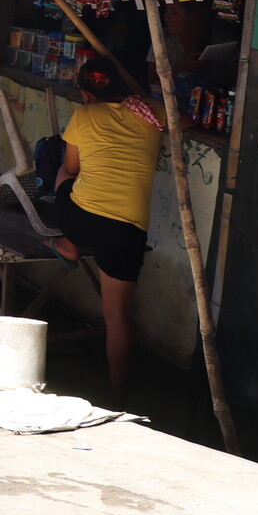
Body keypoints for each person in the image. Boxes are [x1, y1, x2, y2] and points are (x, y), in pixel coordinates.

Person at [46, 57, 163, 391]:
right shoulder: (152, 112)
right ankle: (118, 393)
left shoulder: (83, 116)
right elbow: (184, 119)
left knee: (63, 174)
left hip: (82, 220)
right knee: (118, 319)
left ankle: (68, 244)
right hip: (128, 233)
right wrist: (146, 107)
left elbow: (72, 168)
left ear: (85, 94)